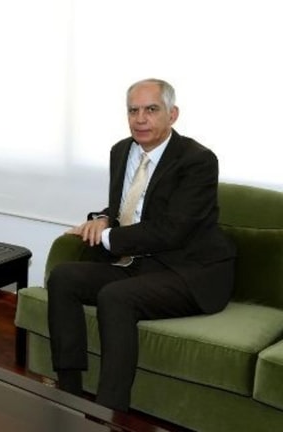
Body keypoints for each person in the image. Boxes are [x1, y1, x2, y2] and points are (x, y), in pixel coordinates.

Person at [47, 78, 236, 412]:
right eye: (133, 111)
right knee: (63, 277)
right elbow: (127, 206)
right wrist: (103, 219)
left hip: (189, 271)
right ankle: (69, 391)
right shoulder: (121, 151)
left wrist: (108, 237)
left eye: (151, 109)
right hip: (137, 263)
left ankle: (108, 412)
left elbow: (173, 230)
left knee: (115, 296)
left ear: (172, 114)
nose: (140, 119)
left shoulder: (198, 161)